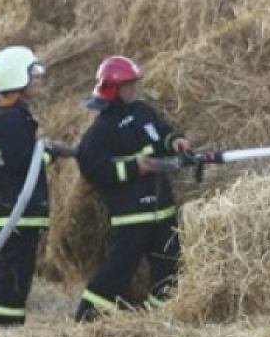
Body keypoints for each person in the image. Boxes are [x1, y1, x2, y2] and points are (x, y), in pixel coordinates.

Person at [73, 55, 192, 322]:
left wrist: (176, 141)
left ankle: (159, 319)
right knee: (119, 269)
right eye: (128, 85)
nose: (133, 89)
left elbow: (162, 133)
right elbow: (93, 168)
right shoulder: (100, 131)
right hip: (132, 215)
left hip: (162, 211)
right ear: (112, 90)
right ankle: (88, 319)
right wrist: (133, 168)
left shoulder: (142, 112)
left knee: (169, 267)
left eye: (134, 84)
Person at [0, 46, 76, 326]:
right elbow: (21, 161)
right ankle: (5, 323)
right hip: (16, 207)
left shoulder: (5, 113)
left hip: (12, 205)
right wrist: (49, 154)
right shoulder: (11, 119)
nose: (38, 79)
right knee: (17, 267)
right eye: (32, 74)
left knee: (10, 264)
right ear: (15, 78)